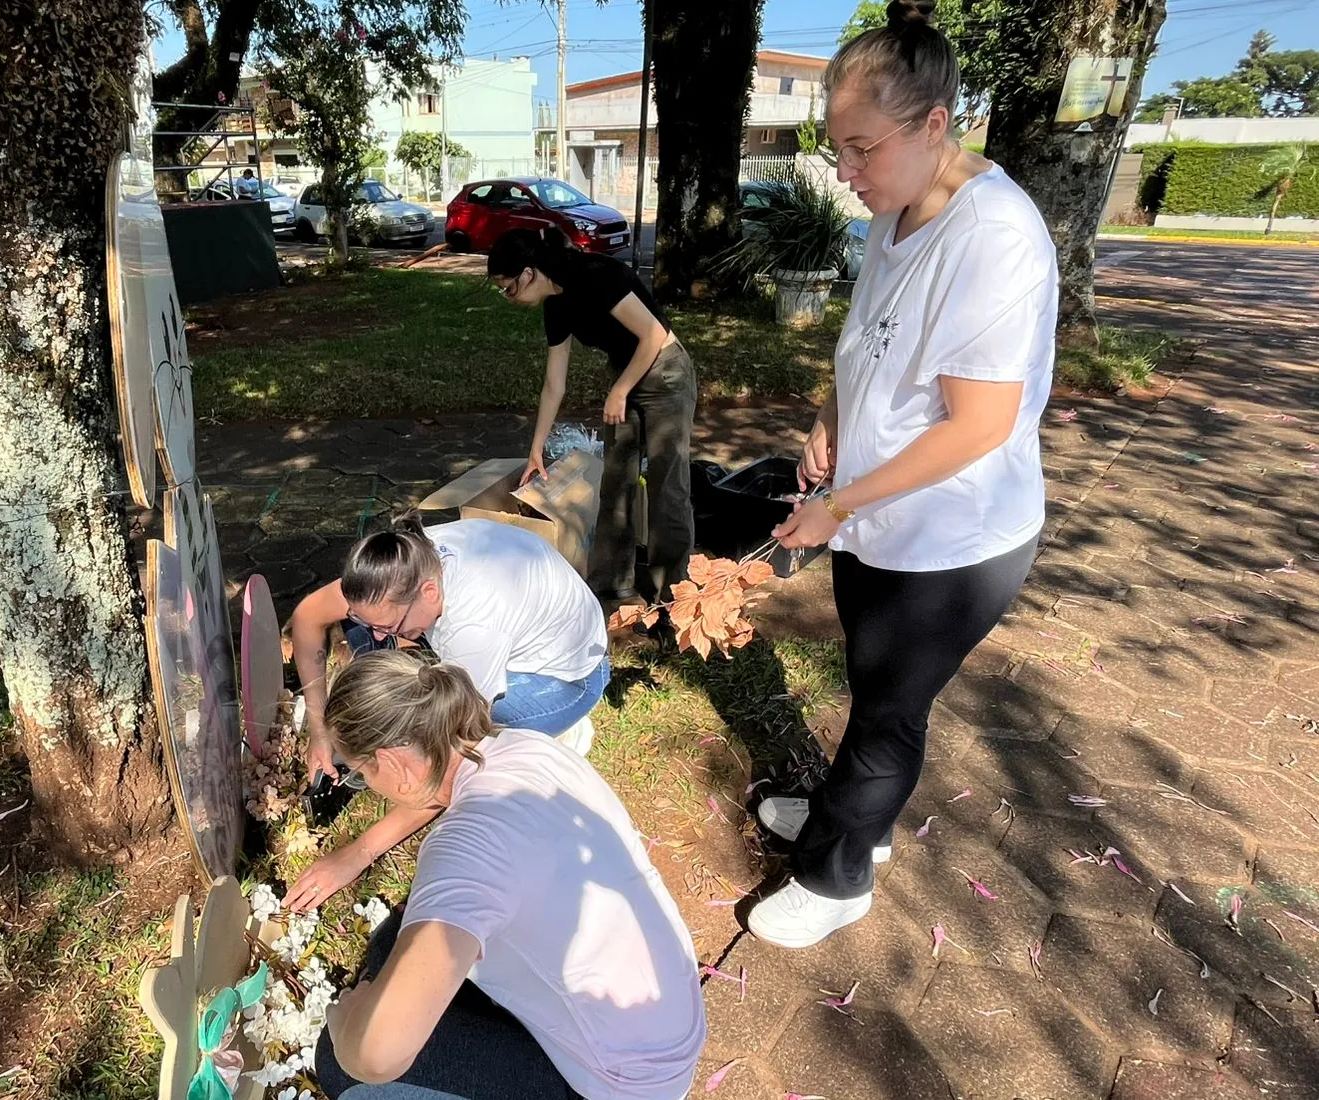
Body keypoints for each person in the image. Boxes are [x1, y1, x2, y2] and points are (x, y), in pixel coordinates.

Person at [746, 0, 1057, 949]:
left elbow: (977, 428)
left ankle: (840, 875)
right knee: (871, 682)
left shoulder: (994, 237)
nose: (845, 174)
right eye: (836, 148)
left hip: (953, 539)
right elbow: (869, 348)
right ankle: (855, 812)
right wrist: (829, 418)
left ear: (935, 125)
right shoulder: (891, 215)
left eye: (861, 148)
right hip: (878, 519)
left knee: (890, 709)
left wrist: (836, 505)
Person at [303, 650, 705, 1100]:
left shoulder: (465, 847)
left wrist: (344, 1022)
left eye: (359, 774)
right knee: (387, 949)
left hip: (618, 1083)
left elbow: (376, 1057)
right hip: (662, 1026)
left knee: (340, 1067)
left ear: (393, 763)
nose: (366, 786)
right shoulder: (527, 746)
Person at [290, 515, 609, 785]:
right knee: (367, 629)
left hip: (565, 680)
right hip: (509, 630)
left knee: (431, 735)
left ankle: (557, 730)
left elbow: (455, 756)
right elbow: (307, 616)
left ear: (428, 592)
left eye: (388, 626)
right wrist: (319, 730)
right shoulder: (407, 560)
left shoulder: (471, 626)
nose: (377, 635)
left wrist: (359, 852)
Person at [487, 228, 696, 607]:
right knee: (616, 480)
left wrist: (619, 391)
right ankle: (611, 588)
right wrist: (536, 448)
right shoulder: (556, 304)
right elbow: (554, 384)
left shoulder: (596, 275)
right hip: (626, 374)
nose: (508, 298)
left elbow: (653, 333)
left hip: (665, 371)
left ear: (529, 272)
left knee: (668, 487)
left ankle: (672, 596)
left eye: (509, 288)